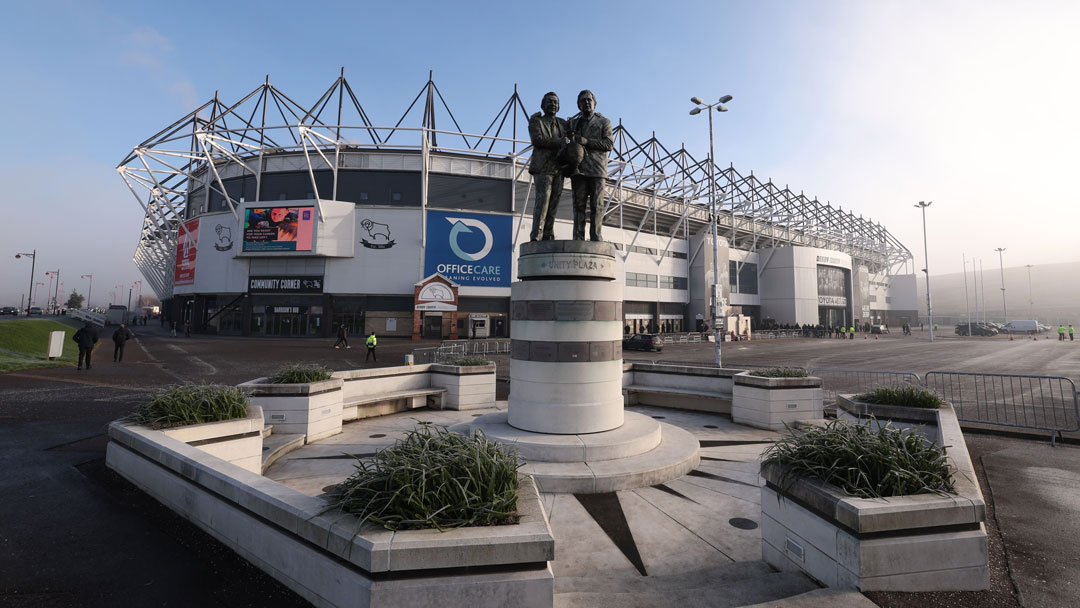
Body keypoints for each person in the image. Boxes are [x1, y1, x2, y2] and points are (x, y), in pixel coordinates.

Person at [567, 90, 613, 241]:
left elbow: (608, 144)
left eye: (589, 100)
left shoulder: (603, 122)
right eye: (583, 101)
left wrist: (587, 141)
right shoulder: (574, 123)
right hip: (578, 169)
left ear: (595, 103)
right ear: (578, 105)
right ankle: (578, 237)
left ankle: (596, 236)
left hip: (597, 170)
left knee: (597, 205)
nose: (586, 102)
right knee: (578, 205)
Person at [528, 92, 568, 241]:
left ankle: (548, 233)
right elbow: (537, 140)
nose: (553, 104)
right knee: (543, 199)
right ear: (542, 105)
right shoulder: (536, 121)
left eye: (555, 102)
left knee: (554, 201)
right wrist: (559, 142)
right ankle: (536, 234)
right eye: (549, 102)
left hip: (559, 166)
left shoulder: (563, 123)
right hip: (543, 166)